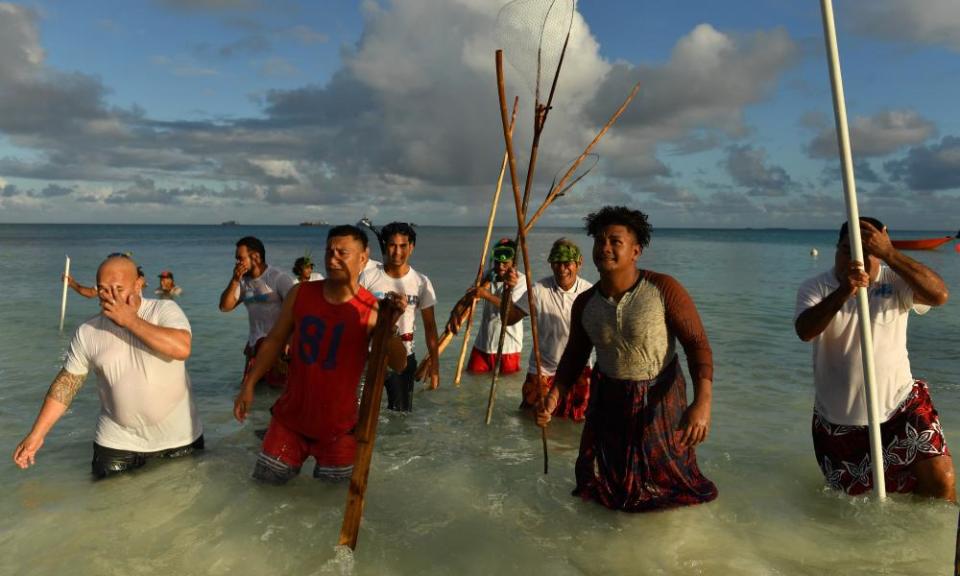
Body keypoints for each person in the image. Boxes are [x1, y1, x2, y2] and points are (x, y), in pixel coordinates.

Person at [537, 206, 718, 512]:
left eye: (614, 241)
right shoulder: (585, 303)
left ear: (636, 250)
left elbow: (697, 345)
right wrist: (554, 395)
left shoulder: (663, 288)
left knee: (670, 484)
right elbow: (574, 356)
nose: (604, 247)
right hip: (608, 398)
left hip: (660, 398)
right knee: (608, 486)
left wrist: (703, 403)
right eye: (599, 241)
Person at [233, 225, 407, 484]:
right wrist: (249, 384)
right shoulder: (301, 293)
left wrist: (388, 325)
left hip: (340, 429)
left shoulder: (372, 309)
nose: (332, 258)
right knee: (263, 489)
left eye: (342, 253)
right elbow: (275, 340)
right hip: (290, 420)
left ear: (363, 258)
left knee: (329, 504)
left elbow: (399, 363)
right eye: (329, 251)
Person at [795, 217, 953, 500]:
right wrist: (845, 291)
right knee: (855, 508)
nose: (855, 260)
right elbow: (805, 331)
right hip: (839, 419)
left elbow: (939, 295)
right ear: (836, 249)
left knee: (940, 482)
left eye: (868, 252)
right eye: (847, 251)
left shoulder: (895, 281)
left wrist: (891, 255)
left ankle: (932, 541)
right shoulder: (815, 287)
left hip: (900, 405)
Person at [14, 254, 203, 478]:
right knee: (107, 509)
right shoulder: (88, 331)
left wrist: (130, 321)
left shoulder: (163, 310)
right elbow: (67, 384)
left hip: (179, 439)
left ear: (138, 285)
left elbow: (182, 348)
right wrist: (37, 434)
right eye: (103, 289)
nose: (109, 296)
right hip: (116, 442)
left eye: (118, 289)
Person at [503, 238, 593, 421]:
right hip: (542, 371)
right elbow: (508, 319)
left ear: (579, 263)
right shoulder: (538, 290)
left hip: (579, 370)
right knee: (531, 422)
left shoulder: (589, 293)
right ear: (551, 265)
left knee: (576, 423)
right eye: (557, 263)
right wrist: (507, 290)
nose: (562, 269)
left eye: (567, 263)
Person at [359, 222, 441, 409]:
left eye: (403, 246)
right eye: (392, 245)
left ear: (411, 247)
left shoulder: (421, 282)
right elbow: (356, 318)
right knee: (362, 412)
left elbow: (430, 327)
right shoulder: (368, 277)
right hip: (370, 356)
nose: (397, 251)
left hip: (404, 357)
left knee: (401, 416)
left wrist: (434, 367)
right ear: (385, 246)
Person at [219, 236, 295, 389]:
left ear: (256, 257)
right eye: (236, 259)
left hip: (279, 347)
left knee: (280, 393)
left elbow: (297, 310)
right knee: (251, 392)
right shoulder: (242, 282)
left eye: (240, 258)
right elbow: (224, 307)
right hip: (254, 347)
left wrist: (290, 340)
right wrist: (234, 280)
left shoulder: (279, 278)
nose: (237, 263)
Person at [450, 238, 526, 375]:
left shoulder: (521, 281)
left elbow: (510, 309)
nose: (501, 266)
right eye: (498, 262)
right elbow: (470, 295)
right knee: (473, 382)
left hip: (508, 348)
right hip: (482, 345)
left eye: (505, 263)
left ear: (514, 262)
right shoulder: (487, 275)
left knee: (505, 389)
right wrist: (455, 311)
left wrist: (486, 295)